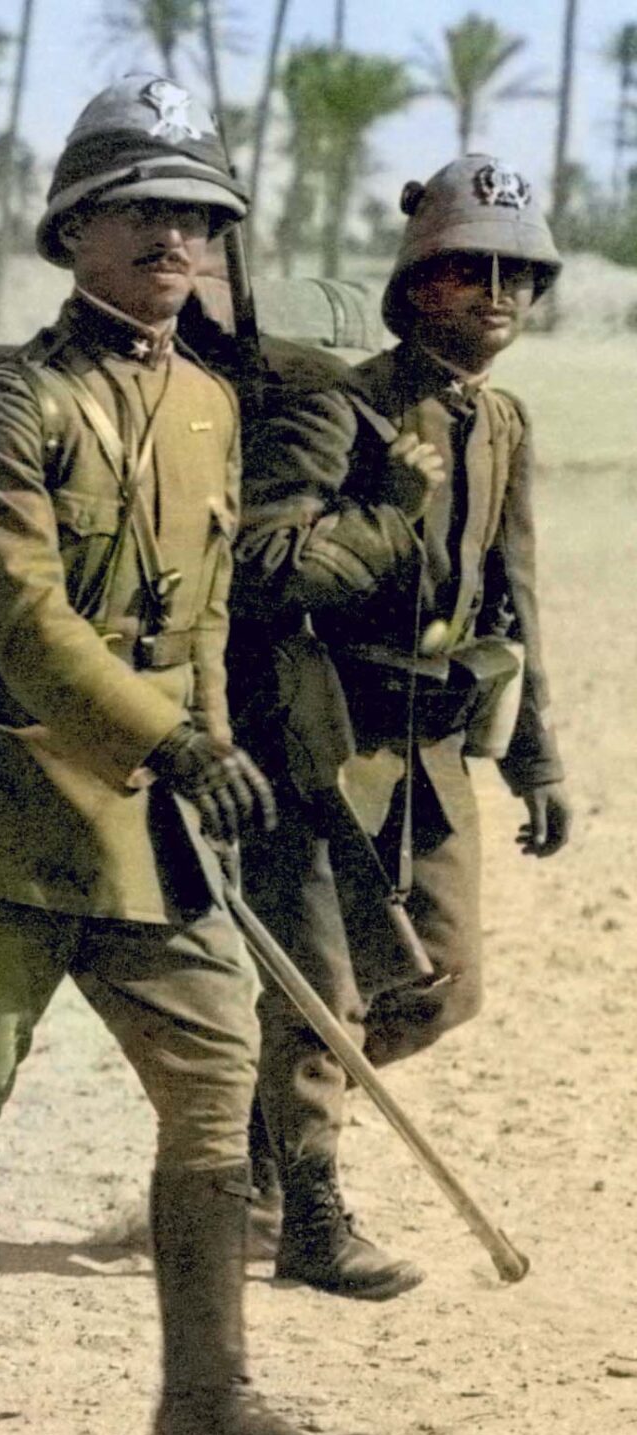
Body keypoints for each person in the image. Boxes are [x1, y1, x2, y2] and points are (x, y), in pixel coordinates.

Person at [0, 76, 337, 1435]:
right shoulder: (15, 405)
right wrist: (178, 743)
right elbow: (23, 623)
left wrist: (214, 749)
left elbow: (206, 616)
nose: (172, 237)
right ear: (72, 232)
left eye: (196, 214)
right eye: (137, 211)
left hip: (155, 835)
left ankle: (207, 1397)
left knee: (214, 1092)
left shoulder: (211, 407)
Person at [228, 153, 570, 1302]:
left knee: (443, 986)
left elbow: (515, 597)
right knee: (318, 987)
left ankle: (265, 1135)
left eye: (519, 276)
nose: (497, 296)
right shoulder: (341, 407)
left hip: (431, 746)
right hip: (316, 735)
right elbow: (263, 568)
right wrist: (382, 511)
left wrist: (537, 762)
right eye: (469, 271)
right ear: (416, 283)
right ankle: (309, 1215)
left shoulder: (502, 422)